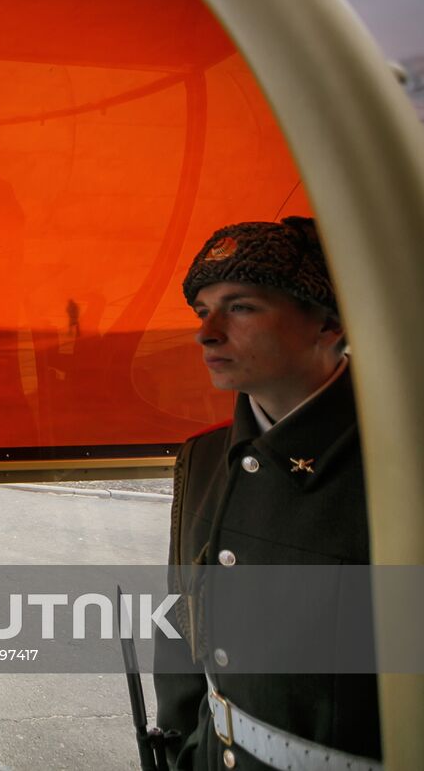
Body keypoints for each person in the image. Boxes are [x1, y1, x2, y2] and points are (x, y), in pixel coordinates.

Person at [153, 217, 377, 771]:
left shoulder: (394, 466)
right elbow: (182, 622)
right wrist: (179, 748)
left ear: (328, 323)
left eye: (241, 307)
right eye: (202, 311)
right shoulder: (204, 458)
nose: (207, 333)